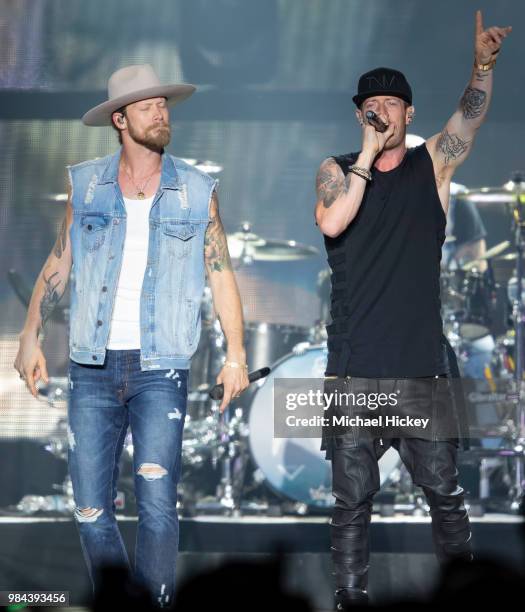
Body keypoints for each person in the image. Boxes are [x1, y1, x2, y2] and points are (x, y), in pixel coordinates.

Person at [14, 64, 249, 608]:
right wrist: (30, 335)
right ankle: (123, 603)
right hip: (92, 365)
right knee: (91, 508)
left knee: (158, 503)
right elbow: (61, 259)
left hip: (159, 366)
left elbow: (221, 272)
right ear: (120, 119)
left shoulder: (196, 190)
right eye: (147, 107)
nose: (161, 113)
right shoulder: (86, 184)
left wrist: (236, 353)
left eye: (164, 104)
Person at [314, 11, 511, 609]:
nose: (382, 112)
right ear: (360, 114)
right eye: (372, 104)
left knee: (445, 494)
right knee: (351, 504)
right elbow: (332, 220)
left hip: (421, 367)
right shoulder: (336, 169)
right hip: (356, 369)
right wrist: (365, 160)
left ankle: (466, 594)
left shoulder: (435, 165)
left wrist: (482, 67)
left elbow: (468, 121)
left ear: (409, 114)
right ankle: (353, 600)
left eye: (392, 104)